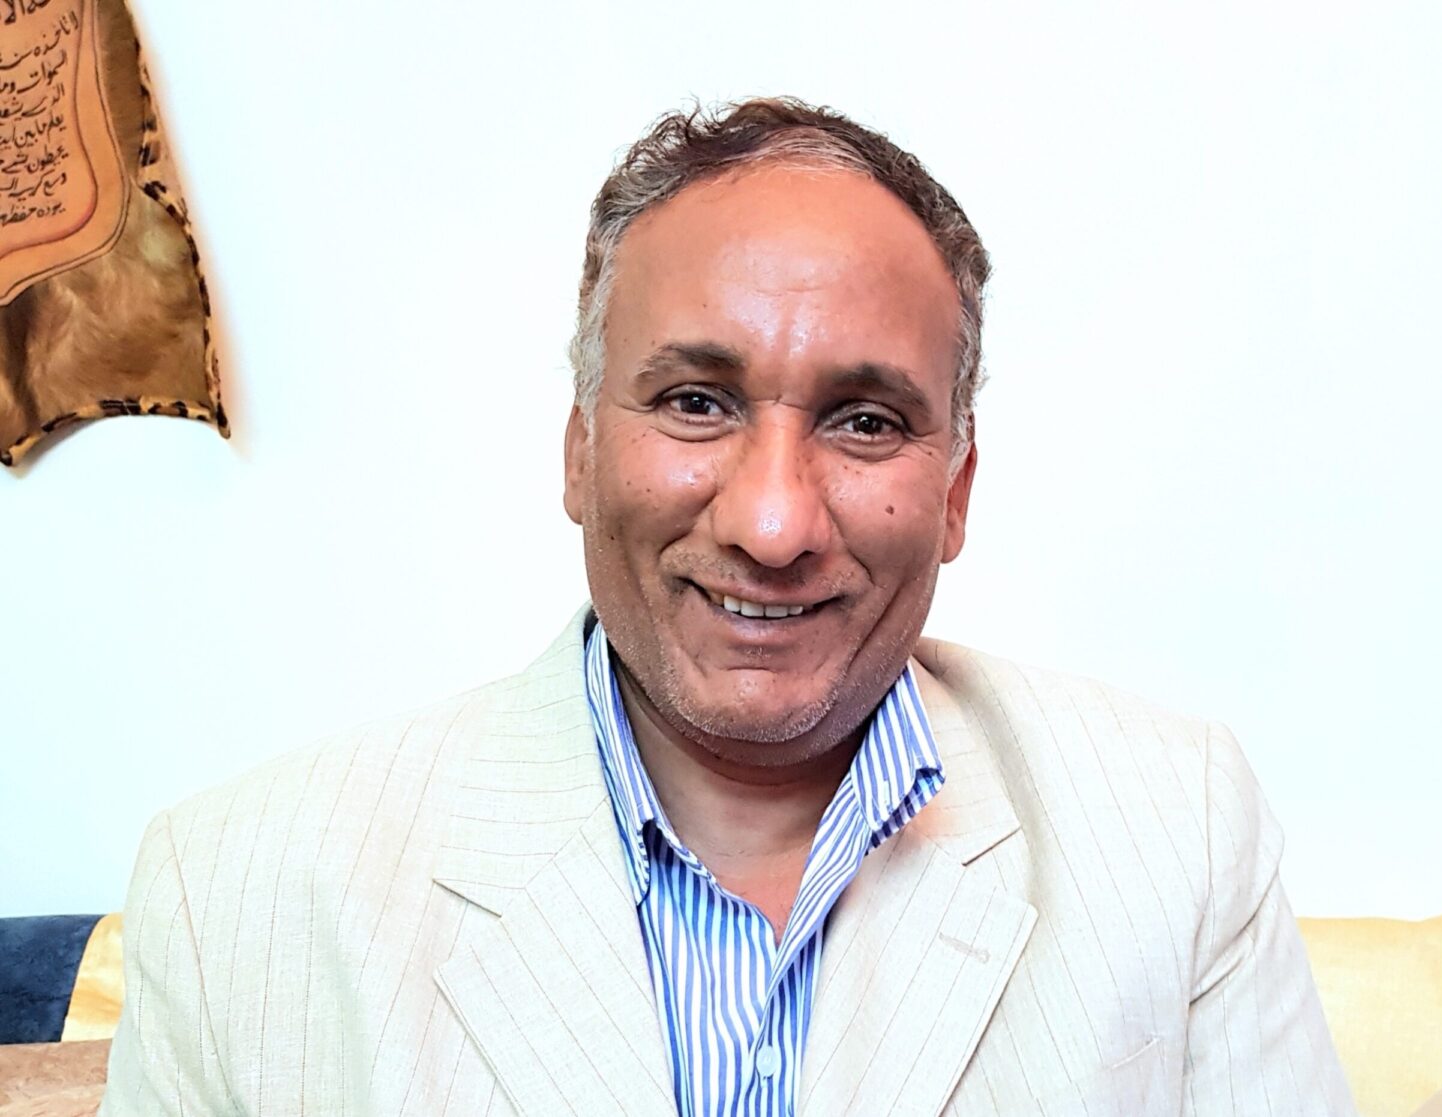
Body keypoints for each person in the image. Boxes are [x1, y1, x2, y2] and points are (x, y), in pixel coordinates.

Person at [101, 98, 1355, 1116]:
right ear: (580, 450)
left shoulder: (1178, 835)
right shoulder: (237, 895)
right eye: (696, 402)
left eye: (867, 423)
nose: (773, 522)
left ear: (956, 492)